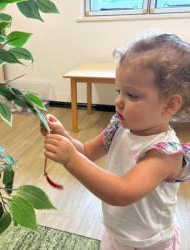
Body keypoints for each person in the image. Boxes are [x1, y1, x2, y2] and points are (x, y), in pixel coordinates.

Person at [40, 30, 190, 250]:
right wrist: (63, 135)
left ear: (169, 104)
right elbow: (86, 152)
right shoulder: (119, 127)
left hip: (149, 244)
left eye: (132, 95)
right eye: (119, 90)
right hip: (115, 232)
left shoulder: (164, 154)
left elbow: (122, 192)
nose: (118, 101)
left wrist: (70, 159)